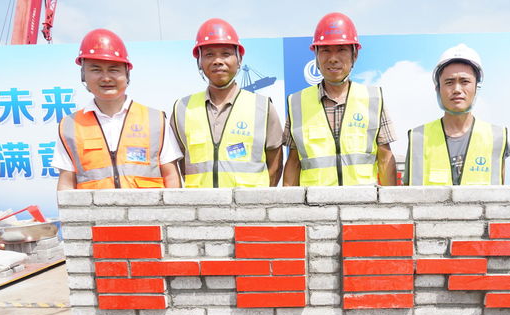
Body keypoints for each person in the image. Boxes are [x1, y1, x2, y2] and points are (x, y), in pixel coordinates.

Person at [55, 29, 181, 190]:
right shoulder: (70, 126)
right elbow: (66, 182)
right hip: (93, 208)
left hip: (149, 207)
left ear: (127, 73)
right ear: (83, 75)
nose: (106, 78)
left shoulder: (155, 120)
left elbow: (171, 175)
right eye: (96, 70)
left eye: (114, 69)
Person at [282, 12, 397, 186]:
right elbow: (293, 161)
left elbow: (385, 158)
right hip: (314, 201)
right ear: (316, 56)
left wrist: (390, 201)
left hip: (363, 200)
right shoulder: (297, 103)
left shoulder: (373, 99)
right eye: (325, 50)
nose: (333, 59)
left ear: (354, 55)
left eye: (341, 50)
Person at [171, 18, 283, 188]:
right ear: (199, 62)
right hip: (199, 203)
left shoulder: (262, 107)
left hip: (251, 204)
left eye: (226, 54)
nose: (217, 61)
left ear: (239, 60)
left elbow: (275, 163)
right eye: (209, 54)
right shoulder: (182, 108)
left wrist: (262, 199)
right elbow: (179, 162)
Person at [404, 44, 510, 185]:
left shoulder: (496, 136)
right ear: (438, 89)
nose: (457, 89)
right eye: (449, 82)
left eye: (465, 81)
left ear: (477, 87)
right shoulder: (419, 138)